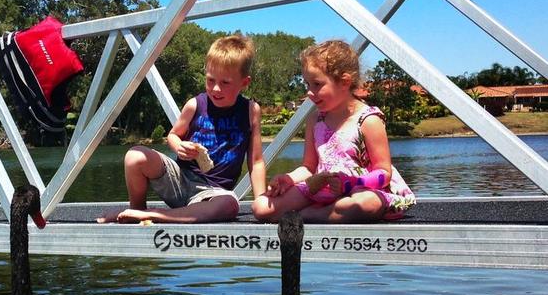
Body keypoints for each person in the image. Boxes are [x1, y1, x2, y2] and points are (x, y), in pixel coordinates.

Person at [98, 35, 266, 224]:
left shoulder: (251, 111)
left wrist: (261, 199)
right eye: (210, 80)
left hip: (213, 193)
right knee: (134, 156)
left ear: (244, 83)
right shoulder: (195, 104)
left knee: (230, 204)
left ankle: (153, 214)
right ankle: (136, 210)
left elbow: (256, 161)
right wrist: (179, 146)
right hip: (179, 179)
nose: (216, 89)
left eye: (225, 83)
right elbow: (173, 135)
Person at [252, 39, 415, 223]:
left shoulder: (368, 120)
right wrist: (289, 179)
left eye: (317, 84)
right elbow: (308, 167)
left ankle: (307, 215)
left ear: (344, 82)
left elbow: (384, 173)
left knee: (364, 204)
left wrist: (352, 183)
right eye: (307, 84)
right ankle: (326, 213)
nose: (309, 92)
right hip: (320, 188)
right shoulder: (315, 120)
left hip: (360, 190)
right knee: (261, 207)